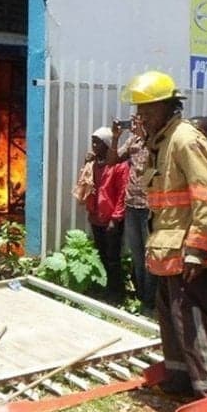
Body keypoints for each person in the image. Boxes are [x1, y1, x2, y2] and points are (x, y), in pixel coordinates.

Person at [122, 71, 207, 399]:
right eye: (139, 110)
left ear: (168, 106)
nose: (141, 116)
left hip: (187, 255)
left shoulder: (185, 139)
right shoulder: (161, 142)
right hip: (167, 254)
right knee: (173, 322)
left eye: (147, 109)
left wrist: (197, 250)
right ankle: (181, 381)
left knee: (194, 323)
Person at [108, 116, 154, 315]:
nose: (136, 122)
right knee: (136, 253)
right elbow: (112, 160)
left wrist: (146, 137)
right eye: (134, 118)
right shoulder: (132, 140)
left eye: (140, 118)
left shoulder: (157, 140)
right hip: (131, 205)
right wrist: (116, 137)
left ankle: (151, 302)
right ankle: (142, 297)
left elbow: (160, 160)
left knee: (150, 255)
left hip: (150, 206)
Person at [79, 127, 128, 302]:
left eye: (97, 142)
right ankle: (109, 288)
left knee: (113, 258)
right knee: (103, 255)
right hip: (96, 217)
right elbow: (85, 185)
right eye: (93, 141)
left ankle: (118, 293)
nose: (93, 145)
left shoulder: (118, 166)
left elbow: (123, 194)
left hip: (111, 220)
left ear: (107, 144)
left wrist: (116, 218)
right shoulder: (93, 164)